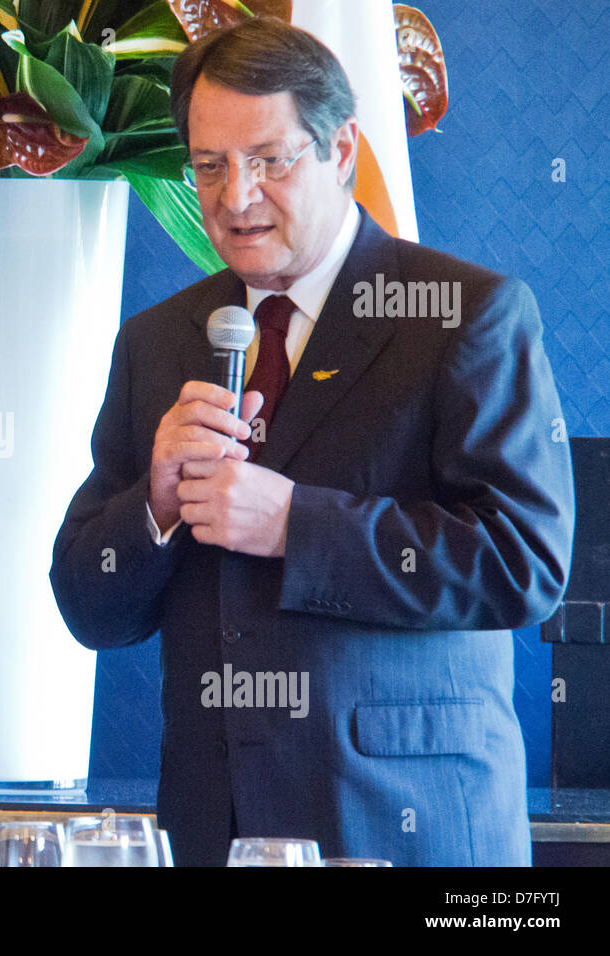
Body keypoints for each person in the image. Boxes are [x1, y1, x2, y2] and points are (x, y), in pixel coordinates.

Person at [50, 17, 574, 866]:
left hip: (410, 826)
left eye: (269, 160)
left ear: (340, 152)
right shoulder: (157, 342)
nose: (236, 196)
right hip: (213, 829)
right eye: (210, 166)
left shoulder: (463, 314)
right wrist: (152, 505)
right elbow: (88, 606)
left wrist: (299, 525)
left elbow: (525, 564)